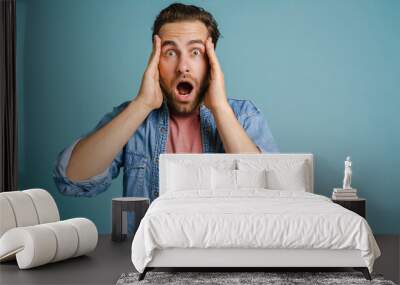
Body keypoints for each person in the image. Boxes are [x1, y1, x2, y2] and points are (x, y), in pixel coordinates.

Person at [53, 3, 278, 233]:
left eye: (195, 53)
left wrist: (219, 107)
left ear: (211, 63)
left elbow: (268, 195)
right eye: (170, 53)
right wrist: (142, 104)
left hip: (224, 260)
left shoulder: (243, 116)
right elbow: (72, 180)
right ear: (155, 61)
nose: (183, 67)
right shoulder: (132, 118)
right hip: (150, 261)